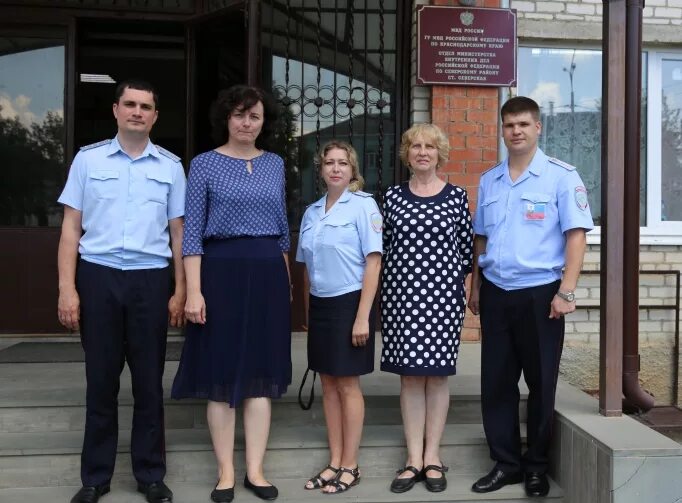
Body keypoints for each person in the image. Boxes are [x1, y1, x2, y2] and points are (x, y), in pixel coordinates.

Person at [57, 79, 186, 503]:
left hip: (150, 279)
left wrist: (180, 289)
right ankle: (95, 478)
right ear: (115, 110)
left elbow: (178, 234)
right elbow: (70, 230)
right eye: (129, 104)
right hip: (99, 277)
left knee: (149, 383)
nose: (137, 112)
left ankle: (150, 475)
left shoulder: (170, 166)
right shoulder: (88, 161)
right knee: (101, 381)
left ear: (154, 116)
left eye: (145, 106)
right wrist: (67, 290)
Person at [468, 96, 593, 498]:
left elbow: (576, 235)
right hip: (497, 293)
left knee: (541, 384)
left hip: (542, 296)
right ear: (502, 130)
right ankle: (506, 464)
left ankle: (537, 466)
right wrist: (475, 284)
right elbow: (481, 237)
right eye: (509, 125)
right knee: (497, 384)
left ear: (538, 128)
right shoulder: (491, 180)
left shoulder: (561, 176)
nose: (516, 131)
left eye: (523, 124)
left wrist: (566, 291)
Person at [171, 85, 291, 503]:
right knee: (221, 374)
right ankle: (225, 472)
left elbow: (282, 231)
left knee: (260, 375)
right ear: (226, 118)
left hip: (267, 275)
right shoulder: (203, 164)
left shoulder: (276, 163)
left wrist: (287, 283)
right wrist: (193, 292)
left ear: (264, 122)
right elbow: (191, 237)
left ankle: (255, 470)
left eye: (254, 116)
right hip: (219, 273)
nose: (246, 123)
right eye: (239, 114)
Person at [380, 123, 473, 493]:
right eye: (415, 146)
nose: (422, 152)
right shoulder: (392, 197)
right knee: (409, 378)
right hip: (401, 300)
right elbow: (381, 250)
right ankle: (412, 459)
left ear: (439, 153)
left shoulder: (455, 197)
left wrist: (465, 297)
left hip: (442, 301)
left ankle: (432, 455)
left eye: (429, 147)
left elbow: (466, 253)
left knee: (436, 377)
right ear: (407, 153)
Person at [296, 141, 382, 494]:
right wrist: (307, 312)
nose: (335, 168)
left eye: (342, 163)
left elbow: (373, 262)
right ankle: (334, 461)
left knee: (347, 385)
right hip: (321, 306)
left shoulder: (363, 206)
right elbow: (305, 268)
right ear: (320, 170)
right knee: (328, 384)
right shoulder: (312, 211)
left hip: (350, 304)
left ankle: (351, 464)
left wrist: (363, 317)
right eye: (329, 163)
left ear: (352, 169)